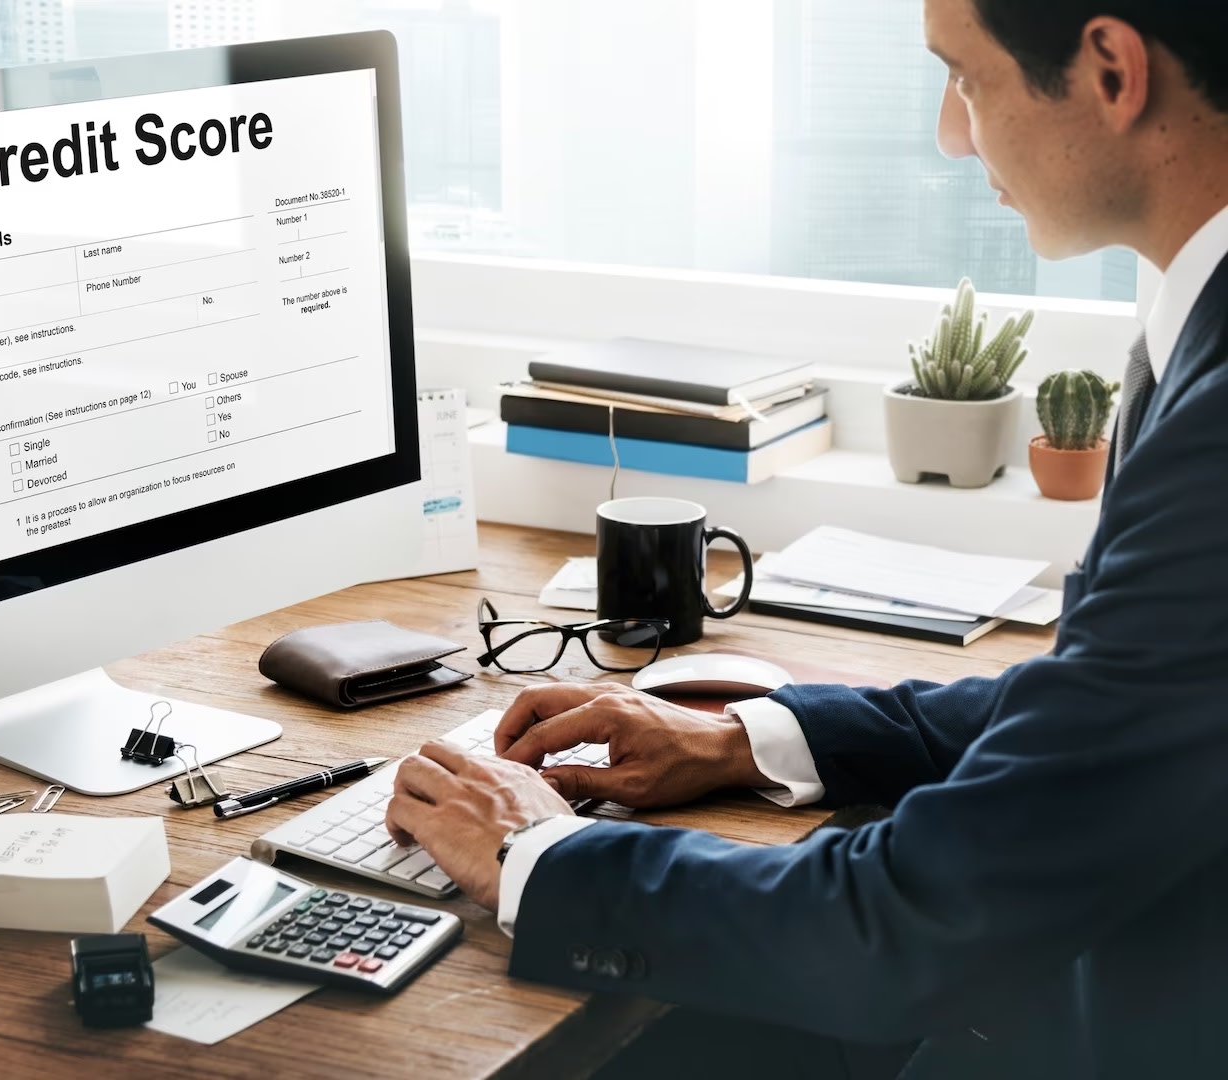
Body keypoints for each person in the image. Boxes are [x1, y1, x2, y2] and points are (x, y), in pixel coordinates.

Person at [383, 1, 1228, 1076]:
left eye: (963, 77)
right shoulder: (1194, 322)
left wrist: (535, 853)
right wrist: (752, 739)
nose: (949, 134)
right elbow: (1111, 705)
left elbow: (908, 927)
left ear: (1110, 71)